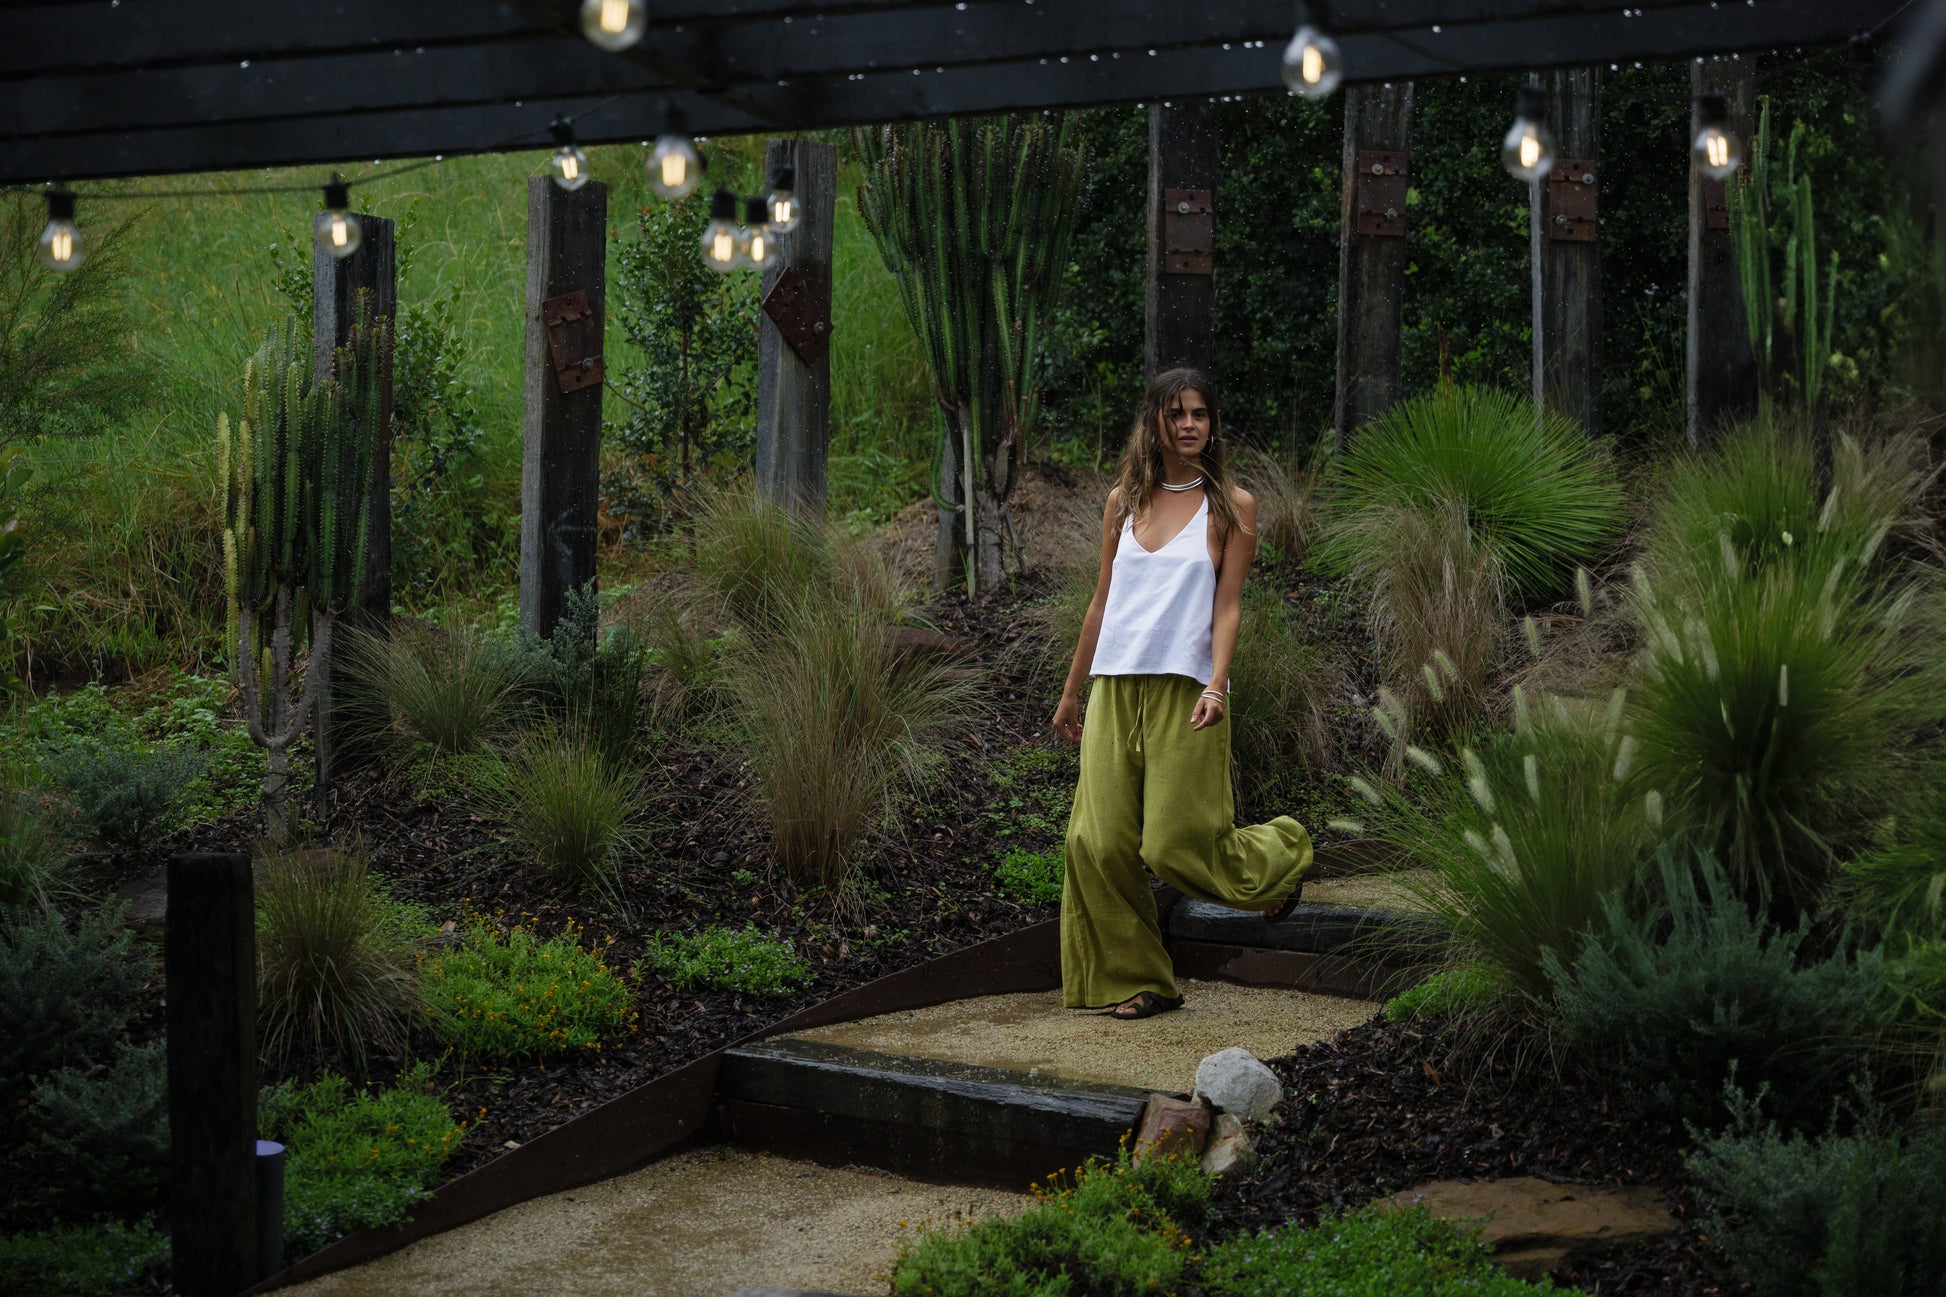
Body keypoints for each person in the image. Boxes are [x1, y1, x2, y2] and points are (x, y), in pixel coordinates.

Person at [1050, 367, 1312, 1020]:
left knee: (1171, 843)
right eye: (1176, 413)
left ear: (1211, 424)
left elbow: (1228, 606)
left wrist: (1219, 683)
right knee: (1096, 841)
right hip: (1114, 686)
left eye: (1200, 412)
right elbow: (1102, 600)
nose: (1190, 423)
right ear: (1155, 423)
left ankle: (1279, 856)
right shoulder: (1122, 501)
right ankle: (1144, 978)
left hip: (1187, 688)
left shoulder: (1233, 506)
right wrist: (1070, 692)